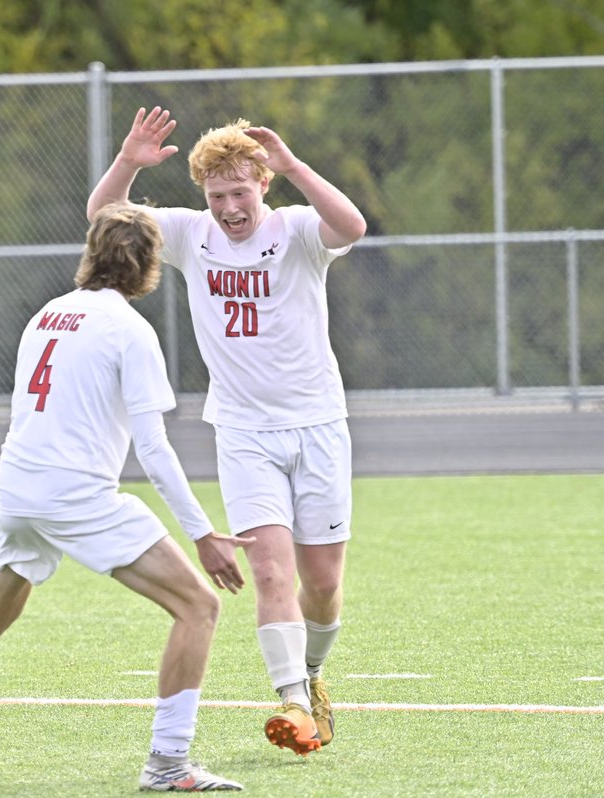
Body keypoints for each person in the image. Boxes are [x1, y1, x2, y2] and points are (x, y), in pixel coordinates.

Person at [0, 203, 254, 791]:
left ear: (91, 253)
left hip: (18, 487)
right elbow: (153, 448)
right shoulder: (131, 330)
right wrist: (203, 534)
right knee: (199, 607)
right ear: (149, 264)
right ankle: (168, 763)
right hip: (75, 495)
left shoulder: (47, 314)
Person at [87, 107, 367, 756]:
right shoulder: (192, 234)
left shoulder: (297, 229)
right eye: (217, 196)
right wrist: (128, 161)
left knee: (323, 584)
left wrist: (294, 165)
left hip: (319, 425)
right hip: (242, 432)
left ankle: (312, 674)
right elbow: (105, 217)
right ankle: (293, 703)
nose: (230, 208)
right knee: (269, 571)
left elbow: (352, 225)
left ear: (263, 184)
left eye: (241, 192)